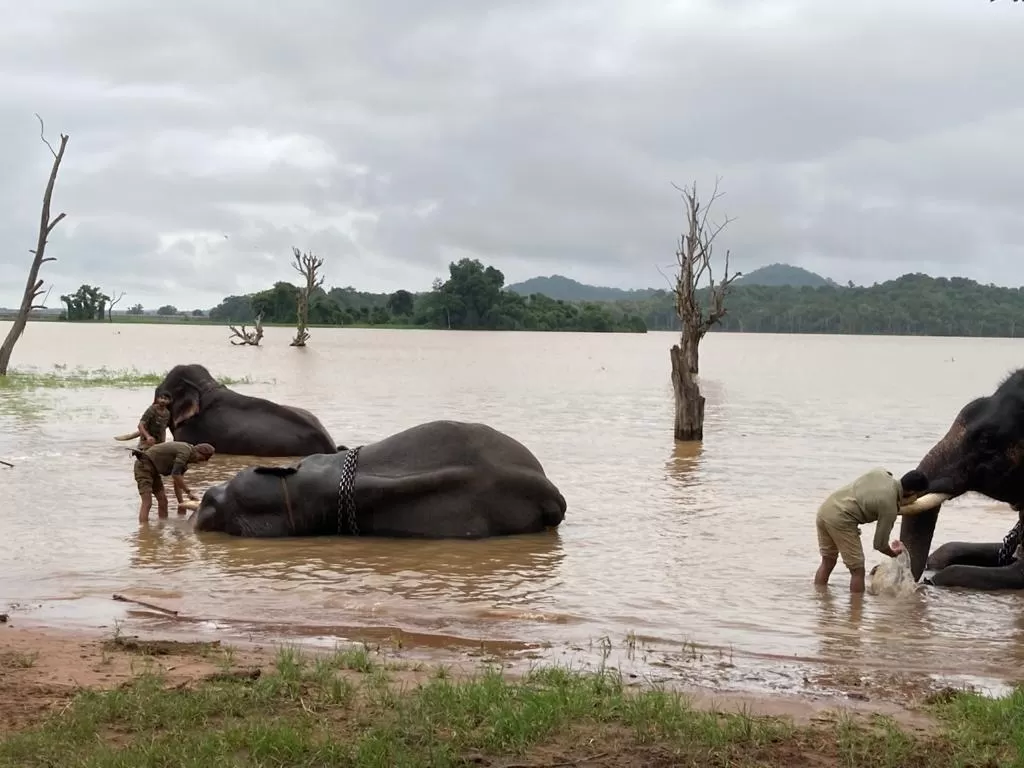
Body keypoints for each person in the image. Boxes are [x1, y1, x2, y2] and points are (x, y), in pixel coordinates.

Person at [814, 467, 929, 593]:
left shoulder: (881, 473)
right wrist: (894, 553)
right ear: (911, 492)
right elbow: (879, 544)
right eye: (917, 495)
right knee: (857, 571)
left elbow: (874, 496)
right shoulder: (889, 507)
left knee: (828, 561)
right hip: (842, 520)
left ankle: (819, 599)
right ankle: (856, 610)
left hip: (825, 511)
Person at [133, 440, 215, 523]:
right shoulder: (185, 451)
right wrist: (188, 492)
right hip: (143, 466)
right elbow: (175, 475)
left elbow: (177, 482)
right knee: (147, 502)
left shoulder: (185, 461)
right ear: (198, 452)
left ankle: (161, 527)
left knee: (163, 501)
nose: (200, 462)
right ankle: (143, 531)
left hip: (154, 471)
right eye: (202, 458)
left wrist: (181, 503)